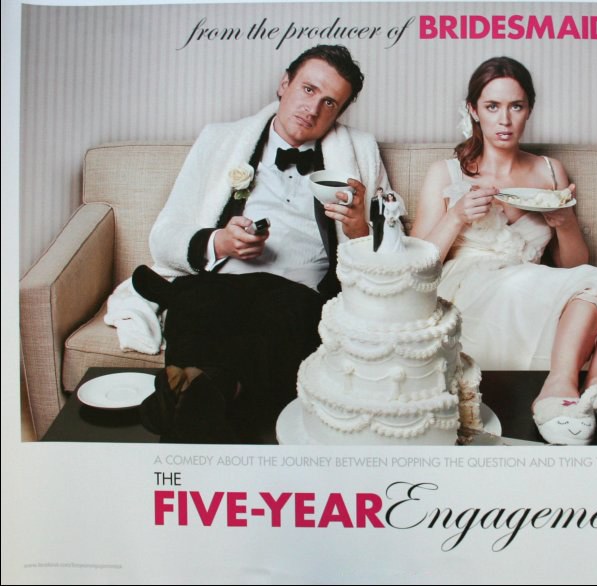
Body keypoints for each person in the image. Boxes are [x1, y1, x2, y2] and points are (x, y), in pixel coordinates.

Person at [110, 45, 393, 442]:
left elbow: (394, 254)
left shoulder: (359, 153)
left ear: (340, 113)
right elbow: (166, 234)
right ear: (284, 84)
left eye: (329, 102)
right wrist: (220, 242)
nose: (313, 109)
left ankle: (180, 400)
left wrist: (360, 227)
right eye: (308, 90)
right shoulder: (220, 140)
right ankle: (210, 395)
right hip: (220, 284)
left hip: (298, 294)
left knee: (280, 319)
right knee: (198, 301)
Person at [411, 57, 597, 445]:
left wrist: (564, 222)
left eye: (515, 106)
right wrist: (457, 216)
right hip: (473, 293)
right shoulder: (445, 172)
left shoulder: (550, 171)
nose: (504, 120)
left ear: (529, 109)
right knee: (584, 282)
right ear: (473, 110)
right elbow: (416, 266)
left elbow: (574, 263)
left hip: (534, 285)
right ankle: (558, 389)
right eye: (492, 106)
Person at [369, 186, 386, 251]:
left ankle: (381, 247)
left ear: (382, 192)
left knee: (382, 232)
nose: (380, 193)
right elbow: (371, 210)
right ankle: (375, 248)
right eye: (379, 192)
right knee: (375, 233)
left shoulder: (385, 199)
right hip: (375, 218)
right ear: (377, 192)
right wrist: (371, 220)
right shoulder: (373, 199)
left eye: (381, 192)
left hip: (383, 218)